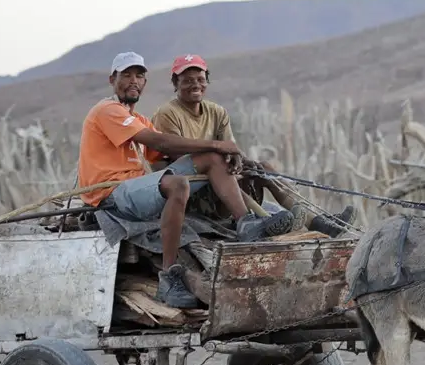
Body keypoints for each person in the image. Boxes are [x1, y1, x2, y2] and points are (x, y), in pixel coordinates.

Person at [78, 52, 295, 308]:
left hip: (135, 191)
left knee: (214, 159)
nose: (133, 81)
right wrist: (217, 144)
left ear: (145, 82)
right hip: (111, 195)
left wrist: (234, 158)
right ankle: (169, 276)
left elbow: (171, 153)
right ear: (112, 79)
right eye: (126, 75)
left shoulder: (140, 119)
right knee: (178, 183)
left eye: (139, 76)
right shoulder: (107, 110)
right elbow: (159, 142)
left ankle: (246, 223)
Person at [150, 54, 355, 237]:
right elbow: (177, 156)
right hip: (193, 190)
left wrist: (241, 160)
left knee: (263, 167)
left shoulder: (217, 111)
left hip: (221, 181)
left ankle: (316, 221)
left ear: (207, 82)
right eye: (187, 81)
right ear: (175, 84)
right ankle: (255, 221)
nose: (195, 85)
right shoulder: (167, 113)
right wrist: (220, 155)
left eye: (200, 80)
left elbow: (230, 148)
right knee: (220, 167)